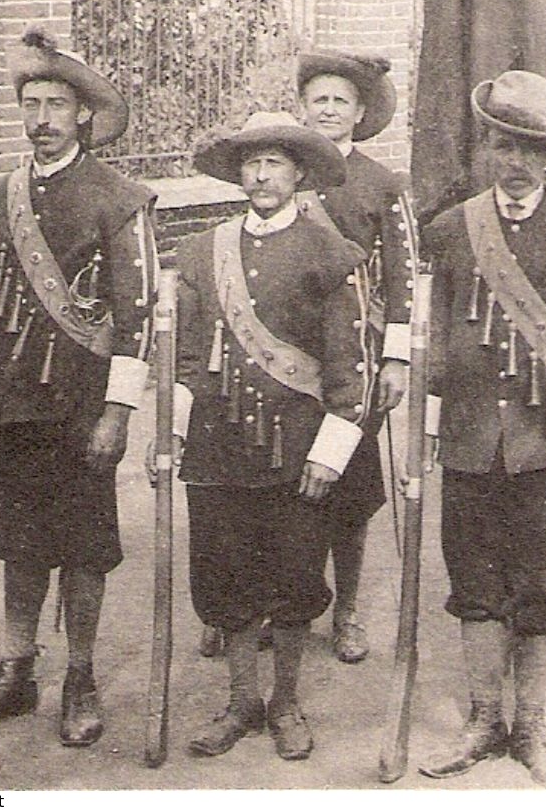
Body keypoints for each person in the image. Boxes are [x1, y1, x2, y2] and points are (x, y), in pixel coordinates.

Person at [0, 28, 157, 747]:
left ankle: (82, 677)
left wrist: (119, 412)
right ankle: (15, 669)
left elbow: (138, 319)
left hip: (78, 405)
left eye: (56, 105)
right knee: (18, 543)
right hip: (5, 400)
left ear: (82, 115)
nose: (41, 119)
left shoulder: (120, 199)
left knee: (84, 547)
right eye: (31, 104)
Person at [418, 71, 546, 787]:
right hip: (471, 438)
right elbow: (433, 339)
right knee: (474, 581)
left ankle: (530, 725)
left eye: (530, 150)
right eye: (504, 146)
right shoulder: (449, 230)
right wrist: (429, 430)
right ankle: (481, 719)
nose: (514, 162)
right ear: (489, 149)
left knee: (539, 584)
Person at [173, 111, 369, 760]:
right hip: (218, 443)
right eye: (251, 163)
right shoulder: (204, 251)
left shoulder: (329, 253)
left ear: (299, 173)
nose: (260, 175)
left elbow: (347, 368)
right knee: (226, 579)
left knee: (291, 581)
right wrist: (170, 434)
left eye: (274, 163)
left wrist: (332, 451)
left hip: (297, 448)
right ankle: (240, 702)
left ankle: (285, 702)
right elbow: (186, 356)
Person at [293, 51, 416, 663]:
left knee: (350, 490)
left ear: (360, 113)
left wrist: (396, 359)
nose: (330, 109)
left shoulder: (382, 184)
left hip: (360, 361)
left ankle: (347, 611)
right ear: (304, 108)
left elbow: (404, 277)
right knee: (285, 481)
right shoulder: (285, 173)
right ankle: (282, 598)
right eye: (320, 99)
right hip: (288, 358)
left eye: (342, 100)